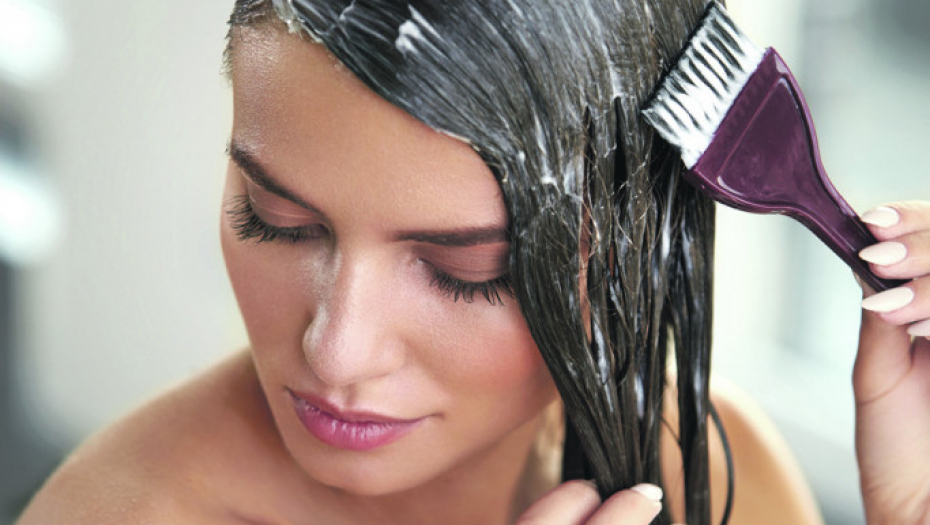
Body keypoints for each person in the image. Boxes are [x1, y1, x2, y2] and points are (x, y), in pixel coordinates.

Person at [15, 1, 930, 524]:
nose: (336, 351)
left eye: (469, 270)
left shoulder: (712, 476)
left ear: (628, 245)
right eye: (278, 220)